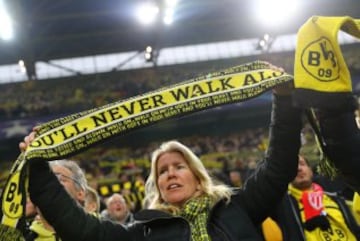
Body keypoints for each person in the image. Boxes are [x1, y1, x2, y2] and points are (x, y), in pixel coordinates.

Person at [21, 78, 304, 241]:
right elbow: (80, 228)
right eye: (162, 171)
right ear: (157, 186)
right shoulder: (144, 232)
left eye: (179, 167)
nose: (170, 174)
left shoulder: (238, 206)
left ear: (197, 175)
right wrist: (37, 167)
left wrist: (284, 100)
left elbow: (279, 165)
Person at [263, 155, 360, 241]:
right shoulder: (282, 206)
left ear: (310, 170)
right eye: (292, 166)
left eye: (302, 164)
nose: (298, 169)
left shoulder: (336, 198)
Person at [24, 159, 88, 241]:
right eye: (42, 183)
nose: (47, 187)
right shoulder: (19, 237)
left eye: (59, 178)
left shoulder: (100, 234)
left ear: (80, 193)